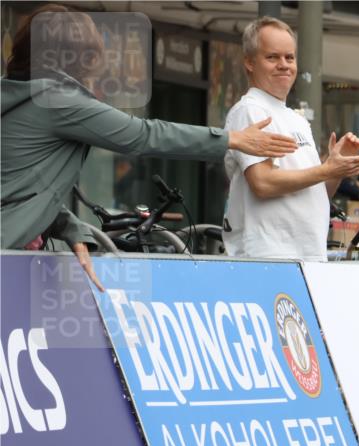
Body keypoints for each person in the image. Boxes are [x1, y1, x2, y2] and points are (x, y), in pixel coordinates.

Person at [0, 5, 299, 287]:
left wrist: (72, 229)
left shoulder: (22, 97)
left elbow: (22, 187)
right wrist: (232, 138)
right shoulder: (59, 101)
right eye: (91, 56)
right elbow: (143, 135)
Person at [223, 17, 359, 262]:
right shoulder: (250, 110)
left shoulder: (296, 119)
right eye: (272, 57)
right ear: (249, 62)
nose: (284, 65)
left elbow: (317, 193)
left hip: (306, 255)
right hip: (268, 256)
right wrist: (325, 170)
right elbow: (263, 183)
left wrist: (337, 168)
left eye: (289, 57)